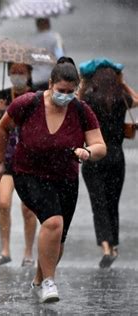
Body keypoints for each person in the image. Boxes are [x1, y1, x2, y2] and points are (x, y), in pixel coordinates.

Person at [0, 57, 106, 303]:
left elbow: (100, 146)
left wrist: (88, 152)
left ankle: (38, 279)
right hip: (28, 173)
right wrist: (0, 162)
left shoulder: (80, 110)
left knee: (58, 238)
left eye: (70, 92)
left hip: (65, 177)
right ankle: (49, 283)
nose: (65, 96)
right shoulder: (28, 103)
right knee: (53, 222)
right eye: (60, 91)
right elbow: (2, 129)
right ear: (50, 84)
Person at [78, 58, 136, 268]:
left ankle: (105, 246)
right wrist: (122, 82)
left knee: (98, 203)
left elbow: (76, 101)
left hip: (94, 155)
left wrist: (84, 83)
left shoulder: (90, 100)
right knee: (112, 202)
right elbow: (137, 100)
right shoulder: (121, 98)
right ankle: (114, 245)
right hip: (116, 157)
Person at [0, 62, 37, 266]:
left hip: (30, 163)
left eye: (21, 73)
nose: (17, 77)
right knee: (3, 203)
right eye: (13, 73)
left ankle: (28, 252)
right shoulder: (2, 97)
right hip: (6, 161)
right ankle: (5, 249)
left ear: (29, 74)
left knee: (28, 209)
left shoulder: (37, 98)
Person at [29, 18, 65, 90]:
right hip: (50, 78)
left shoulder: (30, 39)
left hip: (35, 79)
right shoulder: (55, 37)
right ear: (48, 22)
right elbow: (60, 57)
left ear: (37, 24)